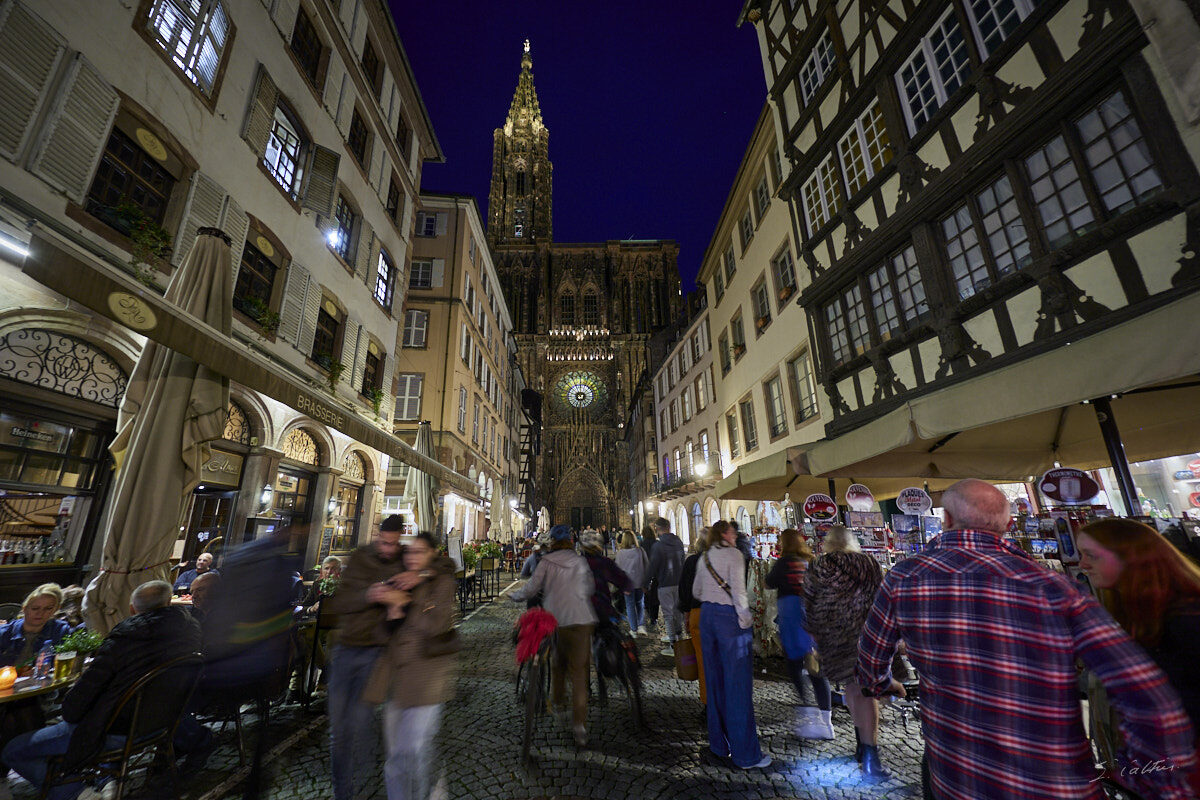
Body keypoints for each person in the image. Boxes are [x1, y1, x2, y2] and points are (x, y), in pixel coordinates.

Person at [857, 479, 1197, 800]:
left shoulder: (905, 576)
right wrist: (1146, 776)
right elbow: (1146, 694)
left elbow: (871, 659)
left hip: (958, 773)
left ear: (946, 519)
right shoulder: (1055, 587)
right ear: (1006, 525)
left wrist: (884, 684)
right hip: (1055, 781)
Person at [3, 581, 201, 800]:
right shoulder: (192, 633)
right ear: (167, 603)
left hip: (112, 732)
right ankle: (96, 778)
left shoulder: (123, 639)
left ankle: (76, 793)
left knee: (13, 751)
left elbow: (75, 706)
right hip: (161, 726)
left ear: (132, 609)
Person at [1077, 517, 1200, 795]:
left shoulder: (1184, 619)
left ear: (1130, 559)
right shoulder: (1149, 614)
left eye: (1091, 555)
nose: (1082, 564)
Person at [363, 532, 458, 800]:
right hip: (396, 681)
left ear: (431, 554)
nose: (412, 557)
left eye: (420, 552)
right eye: (409, 552)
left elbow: (437, 626)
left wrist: (405, 603)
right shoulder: (399, 581)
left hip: (427, 680)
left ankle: (430, 791)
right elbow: (381, 636)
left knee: (413, 750)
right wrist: (390, 612)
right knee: (395, 756)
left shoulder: (441, 583)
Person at [322, 515, 406, 800]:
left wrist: (414, 579)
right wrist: (370, 594)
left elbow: (440, 565)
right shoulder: (359, 558)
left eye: (393, 544)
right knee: (338, 731)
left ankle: (362, 781)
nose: (388, 549)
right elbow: (341, 603)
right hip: (346, 651)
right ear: (377, 536)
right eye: (384, 542)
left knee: (360, 723)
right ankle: (342, 792)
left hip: (376, 654)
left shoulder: (404, 559)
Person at [804, 524, 886, 776]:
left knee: (853, 689)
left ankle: (863, 744)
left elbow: (808, 600)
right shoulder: (869, 564)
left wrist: (812, 634)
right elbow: (882, 597)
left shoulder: (819, 565)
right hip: (866, 633)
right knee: (865, 691)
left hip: (834, 636)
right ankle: (869, 750)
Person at [692, 521, 770, 769]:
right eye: (732, 532)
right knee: (737, 686)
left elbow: (696, 590)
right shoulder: (734, 555)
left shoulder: (703, 558)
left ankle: (719, 745)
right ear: (724, 534)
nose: (735, 536)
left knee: (715, 682)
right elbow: (739, 592)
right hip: (729, 620)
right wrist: (746, 621)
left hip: (707, 618)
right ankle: (746, 755)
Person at [509, 524, 596, 746]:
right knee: (579, 675)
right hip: (582, 620)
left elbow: (531, 589)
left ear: (553, 542)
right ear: (570, 540)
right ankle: (580, 727)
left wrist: (515, 596)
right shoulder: (579, 561)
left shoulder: (547, 562)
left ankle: (558, 706)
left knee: (557, 664)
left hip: (557, 621)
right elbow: (589, 588)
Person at [0, 584, 72, 792]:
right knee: (15, 712)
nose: (40, 613)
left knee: (19, 710)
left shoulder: (60, 631)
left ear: (55, 609)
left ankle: (10, 769)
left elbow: (66, 664)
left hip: (41, 692)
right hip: (7, 690)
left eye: (47, 608)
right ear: (25, 608)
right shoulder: (4, 632)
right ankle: (41, 772)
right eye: (35, 608)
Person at [765, 529, 832, 740]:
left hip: (791, 617)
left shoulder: (783, 563)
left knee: (794, 666)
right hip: (810, 617)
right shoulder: (811, 562)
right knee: (817, 670)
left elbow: (768, 583)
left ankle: (807, 710)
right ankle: (827, 722)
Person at [678, 529, 710, 718]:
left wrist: (686, 614)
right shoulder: (723, 560)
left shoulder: (692, 562)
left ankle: (708, 703)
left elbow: (685, 591)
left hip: (699, 613)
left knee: (703, 661)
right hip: (723, 615)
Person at [648, 517, 686, 656]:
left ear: (657, 529)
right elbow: (683, 560)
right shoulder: (679, 542)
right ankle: (679, 636)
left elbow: (653, 566)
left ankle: (673, 644)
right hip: (679, 581)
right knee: (677, 611)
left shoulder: (658, 546)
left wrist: (646, 582)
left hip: (664, 583)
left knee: (668, 614)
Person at [579, 530, 632, 626]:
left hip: (578, 611)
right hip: (601, 609)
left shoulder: (575, 563)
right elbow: (623, 580)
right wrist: (620, 591)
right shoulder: (603, 563)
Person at [614, 530, 649, 636]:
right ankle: (641, 625)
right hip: (639, 582)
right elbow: (647, 565)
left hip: (627, 584)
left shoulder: (620, 553)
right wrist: (646, 582)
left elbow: (617, 570)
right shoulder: (640, 551)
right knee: (639, 604)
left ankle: (633, 629)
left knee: (630, 605)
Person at [639, 525, 659, 631]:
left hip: (645, 571)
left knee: (646, 594)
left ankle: (648, 610)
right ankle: (654, 617)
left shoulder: (642, 544)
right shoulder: (657, 543)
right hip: (656, 572)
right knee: (655, 595)